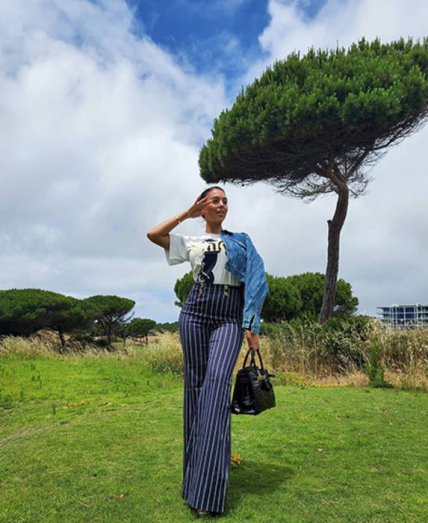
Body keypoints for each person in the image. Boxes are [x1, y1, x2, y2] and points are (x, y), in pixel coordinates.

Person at [147, 186, 268, 516]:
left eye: (225, 201)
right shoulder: (191, 241)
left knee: (216, 387)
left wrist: (252, 325)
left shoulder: (241, 241)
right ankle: (194, 477)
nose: (222, 205)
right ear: (203, 206)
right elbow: (153, 234)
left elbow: (257, 279)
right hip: (195, 313)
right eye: (215, 200)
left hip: (229, 317)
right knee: (195, 391)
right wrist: (187, 213)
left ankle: (207, 492)